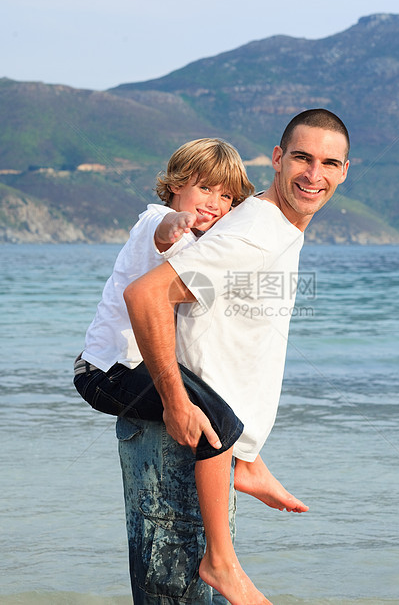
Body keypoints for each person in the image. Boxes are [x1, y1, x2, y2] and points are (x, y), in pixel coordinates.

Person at [122, 109, 350, 604]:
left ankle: (247, 462)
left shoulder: (275, 225)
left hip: (214, 440)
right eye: (302, 158)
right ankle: (221, 561)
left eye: (329, 163)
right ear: (277, 158)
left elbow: (232, 326)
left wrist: (245, 449)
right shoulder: (254, 232)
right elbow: (146, 295)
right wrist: (177, 401)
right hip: (184, 434)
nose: (315, 175)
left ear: (345, 170)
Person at [73, 138, 306, 605]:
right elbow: (164, 230)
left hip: (132, 369)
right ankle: (219, 560)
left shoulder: (210, 240)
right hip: (107, 371)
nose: (214, 204)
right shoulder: (155, 221)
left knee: (221, 410)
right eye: (204, 189)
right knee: (216, 424)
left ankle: (247, 464)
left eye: (226, 197)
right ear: (176, 186)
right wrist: (179, 221)